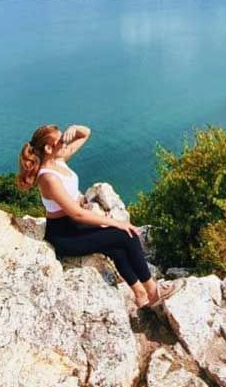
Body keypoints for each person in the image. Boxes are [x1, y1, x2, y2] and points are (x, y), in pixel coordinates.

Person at [16, 123, 181, 309]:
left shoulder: (58, 160)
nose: (65, 142)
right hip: (65, 235)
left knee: (116, 248)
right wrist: (116, 223)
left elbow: (85, 134)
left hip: (75, 227)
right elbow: (77, 214)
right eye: (61, 140)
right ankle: (153, 291)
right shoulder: (48, 177)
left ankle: (140, 295)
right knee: (128, 235)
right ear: (48, 148)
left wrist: (74, 129)